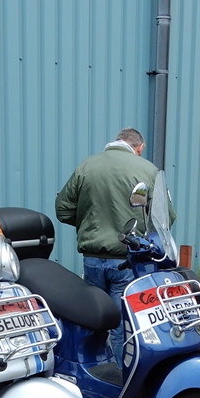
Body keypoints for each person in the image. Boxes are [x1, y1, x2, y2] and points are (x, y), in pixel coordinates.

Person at [56, 128, 161, 367]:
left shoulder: (86, 167)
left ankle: (91, 370)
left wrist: (89, 224)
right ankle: (120, 377)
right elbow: (165, 216)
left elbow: (63, 209)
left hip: (92, 258)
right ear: (138, 147)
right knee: (120, 325)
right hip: (126, 259)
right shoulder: (147, 170)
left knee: (92, 318)